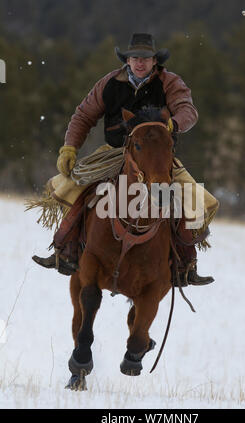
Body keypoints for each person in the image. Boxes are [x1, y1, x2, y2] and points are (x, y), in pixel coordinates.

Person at [32, 33, 219, 286]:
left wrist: (174, 123)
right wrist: (69, 148)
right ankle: (64, 249)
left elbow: (188, 110)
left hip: (156, 158)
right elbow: (84, 115)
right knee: (78, 187)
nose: (139, 63)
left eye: (145, 58)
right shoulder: (109, 83)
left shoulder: (169, 82)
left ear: (155, 61)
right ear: (127, 60)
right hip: (114, 152)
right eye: (134, 58)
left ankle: (185, 263)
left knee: (187, 198)